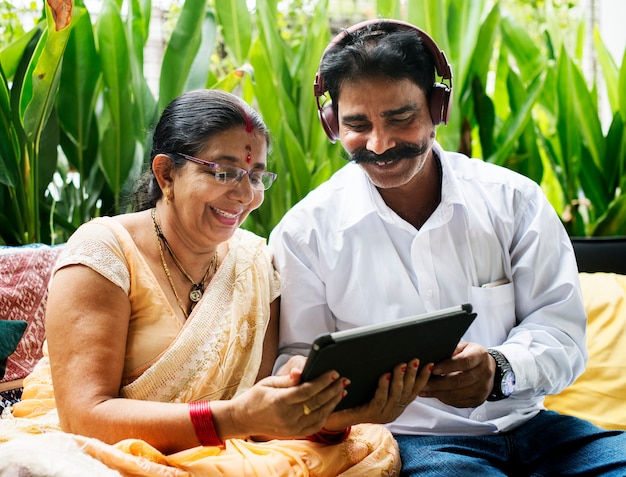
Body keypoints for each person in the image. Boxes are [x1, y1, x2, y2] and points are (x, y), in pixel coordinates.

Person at [269, 19, 626, 476]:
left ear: (438, 107)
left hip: (536, 427)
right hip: (417, 442)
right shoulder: (305, 233)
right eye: (357, 125)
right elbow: (297, 358)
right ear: (332, 122)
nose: (380, 144)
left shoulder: (513, 200)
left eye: (401, 118)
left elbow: (562, 334)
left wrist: (500, 369)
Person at [0, 89, 408, 476]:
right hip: (100, 448)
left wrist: (330, 414)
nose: (246, 194)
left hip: (218, 448)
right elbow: (84, 417)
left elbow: (256, 418)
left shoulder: (254, 264)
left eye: (256, 175)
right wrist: (233, 418)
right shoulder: (104, 252)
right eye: (225, 172)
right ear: (166, 173)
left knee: (366, 443)